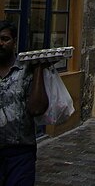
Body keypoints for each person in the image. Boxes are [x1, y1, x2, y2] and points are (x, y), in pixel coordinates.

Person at [0, 20, 49, 185]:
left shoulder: (25, 71)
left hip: (21, 153)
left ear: (14, 42)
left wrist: (38, 70)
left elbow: (37, 108)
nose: (0, 43)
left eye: (5, 39)